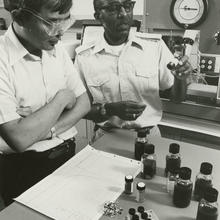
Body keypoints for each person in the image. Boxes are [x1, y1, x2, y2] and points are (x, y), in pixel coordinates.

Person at [0, 0, 90, 206]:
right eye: (51, 22)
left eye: (65, 20)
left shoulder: (54, 48)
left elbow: (83, 104)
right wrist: (61, 100)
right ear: (19, 17)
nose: (60, 32)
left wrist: (42, 127)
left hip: (67, 155)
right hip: (23, 168)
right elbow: (20, 138)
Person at [75, 0, 192, 132]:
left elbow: (178, 98)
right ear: (98, 16)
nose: (124, 14)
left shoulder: (154, 47)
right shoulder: (84, 57)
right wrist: (109, 109)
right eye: (114, 8)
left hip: (148, 136)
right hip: (107, 135)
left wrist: (180, 79)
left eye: (128, 6)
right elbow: (78, 110)